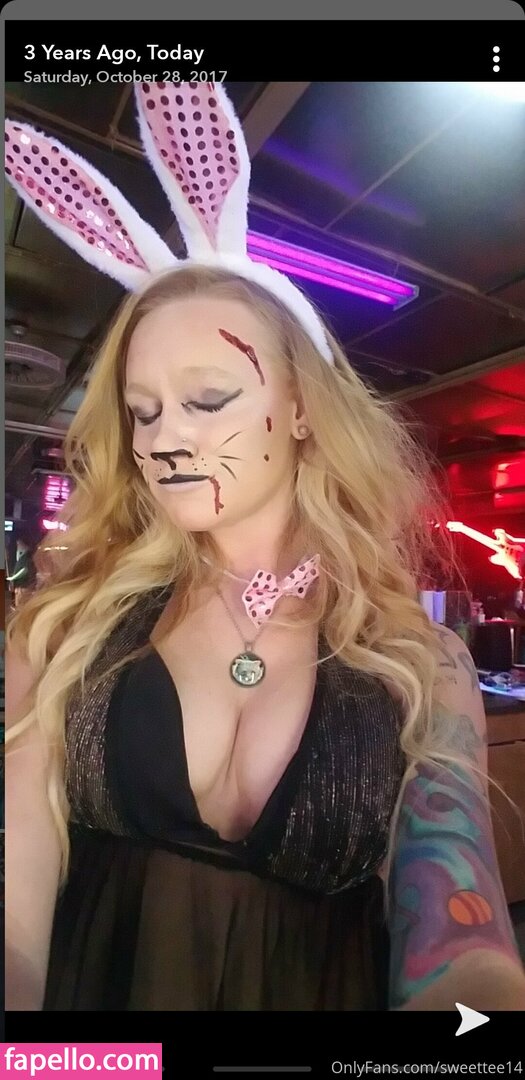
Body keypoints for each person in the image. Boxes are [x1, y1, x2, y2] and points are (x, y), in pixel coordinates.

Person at [5, 83, 525, 1014]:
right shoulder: (66, 629)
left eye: (207, 399)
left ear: (299, 409)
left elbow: (462, 943)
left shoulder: (420, 663)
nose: (165, 437)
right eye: (142, 411)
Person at [6, 536, 37, 609]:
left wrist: (13, 578)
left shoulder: (27, 556)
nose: (18, 546)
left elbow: (24, 570)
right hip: (21, 587)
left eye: (19, 544)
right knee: (19, 606)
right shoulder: (22, 556)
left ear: (24, 544)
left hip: (24, 587)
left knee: (22, 607)